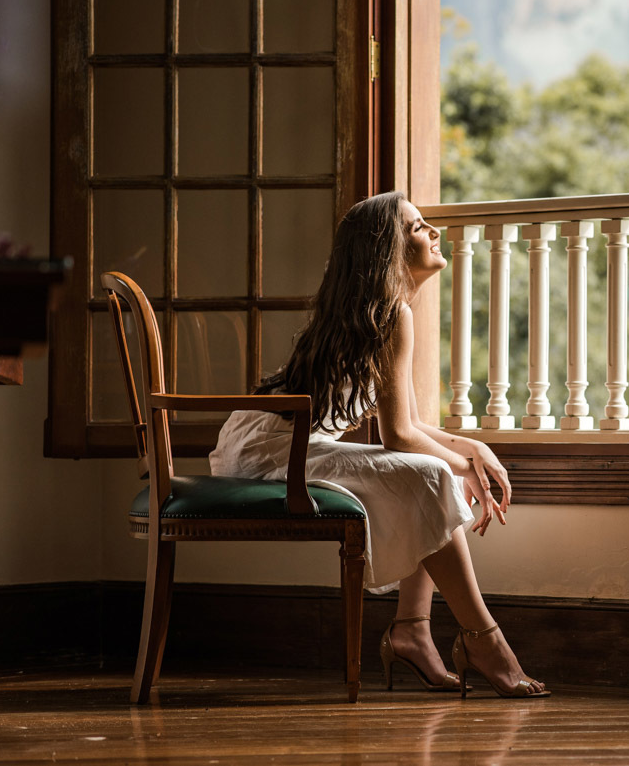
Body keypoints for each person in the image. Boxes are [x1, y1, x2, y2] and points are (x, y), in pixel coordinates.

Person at [209, 191, 549, 699]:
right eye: (416, 227)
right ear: (386, 248)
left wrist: (472, 450)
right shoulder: (391, 315)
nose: (433, 232)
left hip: (265, 439)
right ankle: (483, 640)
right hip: (274, 446)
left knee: (432, 471)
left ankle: (412, 630)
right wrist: (463, 464)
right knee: (431, 472)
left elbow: (407, 424)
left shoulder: (378, 311)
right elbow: (399, 437)